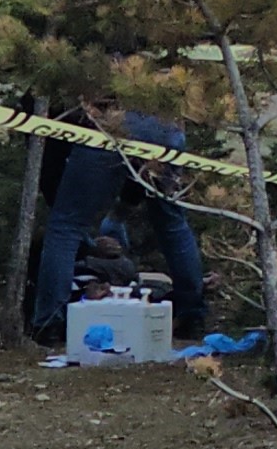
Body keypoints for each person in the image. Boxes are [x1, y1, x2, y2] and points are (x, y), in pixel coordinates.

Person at [28, 98, 211, 346]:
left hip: (106, 123)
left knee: (65, 228)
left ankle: (49, 324)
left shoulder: (59, 97)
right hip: (165, 123)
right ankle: (192, 316)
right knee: (172, 224)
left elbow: (52, 172)